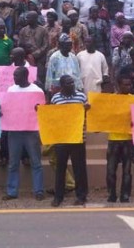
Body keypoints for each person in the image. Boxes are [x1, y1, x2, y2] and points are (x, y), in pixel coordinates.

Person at [2, 67, 45, 201]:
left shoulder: (36, 91)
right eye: (14, 76)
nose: (14, 78)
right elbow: (6, 108)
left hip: (31, 131)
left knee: (36, 162)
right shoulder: (11, 90)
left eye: (16, 76)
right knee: (13, 162)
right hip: (14, 132)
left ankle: (38, 191)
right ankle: (12, 191)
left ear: (25, 76)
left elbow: (43, 111)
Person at [50, 75, 89, 207]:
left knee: (80, 169)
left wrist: (87, 110)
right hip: (62, 138)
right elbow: (52, 117)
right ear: (62, 86)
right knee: (60, 168)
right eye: (68, 83)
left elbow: (88, 117)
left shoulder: (81, 97)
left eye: (72, 82)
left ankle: (81, 196)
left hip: (78, 138)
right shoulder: (55, 98)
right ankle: (58, 197)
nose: (72, 85)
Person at [105, 74, 134, 203]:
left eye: (130, 84)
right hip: (113, 139)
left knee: (127, 170)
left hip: (128, 139)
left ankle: (125, 195)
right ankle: (112, 194)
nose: (128, 87)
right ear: (119, 85)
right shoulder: (111, 99)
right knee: (111, 170)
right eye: (125, 84)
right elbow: (104, 115)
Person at [18, 10, 49, 81]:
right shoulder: (23, 30)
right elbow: (19, 43)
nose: (27, 19)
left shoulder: (43, 30)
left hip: (39, 58)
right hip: (26, 57)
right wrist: (26, 51)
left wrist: (35, 54)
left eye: (29, 18)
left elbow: (46, 45)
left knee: (39, 76)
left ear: (35, 19)